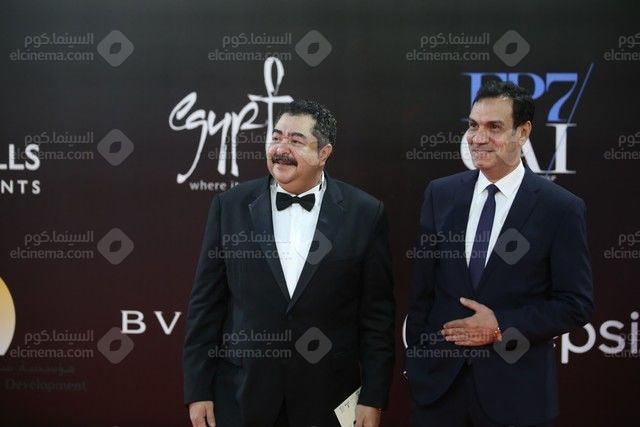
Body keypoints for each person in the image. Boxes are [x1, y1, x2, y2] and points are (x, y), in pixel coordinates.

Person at [183, 100, 395, 427]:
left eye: (296, 141)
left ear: (324, 153)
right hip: (241, 394)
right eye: (276, 138)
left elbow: (377, 317)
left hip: (328, 395)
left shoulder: (364, 213)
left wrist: (373, 397)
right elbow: (205, 306)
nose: (281, 149)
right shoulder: (230, 206)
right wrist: (198, 390)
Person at [405, 81, 594, 426]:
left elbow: (575, 304)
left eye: (494, 127)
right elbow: (422, 292)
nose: (478, 138)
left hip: (516, 397)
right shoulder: (440, 194)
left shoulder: (560, 208)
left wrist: (500, 326)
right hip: (438, 394)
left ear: (523, 132)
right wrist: (417, 361)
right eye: (473, 125)